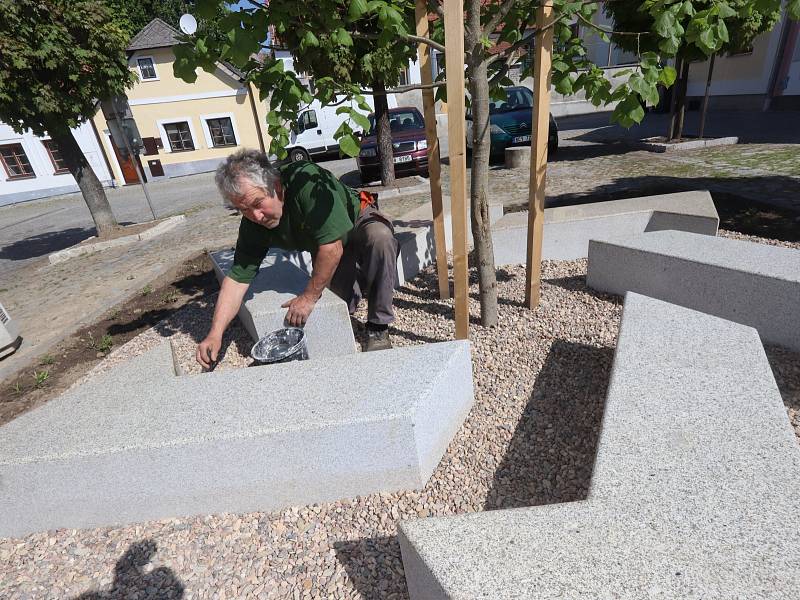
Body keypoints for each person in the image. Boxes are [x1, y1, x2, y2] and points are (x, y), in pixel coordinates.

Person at [196, 149, 399, 368]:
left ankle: (379, 326)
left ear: (275, 185)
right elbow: (237, 280)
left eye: (257, 203)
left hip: (355, 216)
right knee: (340, 301)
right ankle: (355, 285)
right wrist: (215, 334)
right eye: (243, 209)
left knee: (380, 238)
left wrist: (309, 296)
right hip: (325, 239)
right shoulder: (252, 225)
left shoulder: (307, 183)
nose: (255, 216)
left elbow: (331, 248)